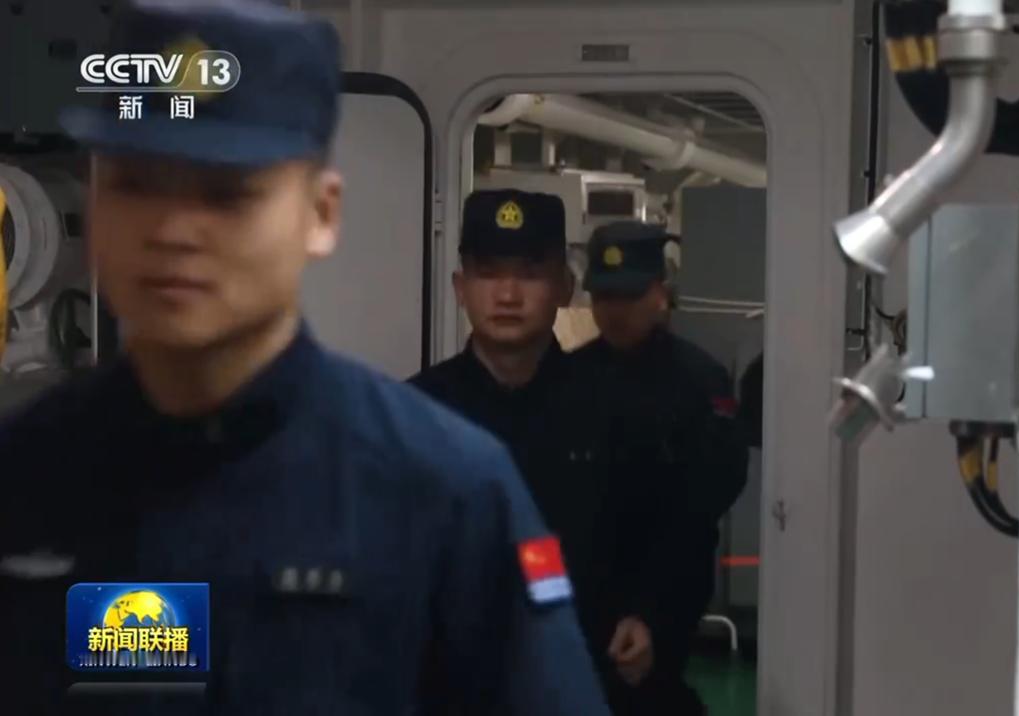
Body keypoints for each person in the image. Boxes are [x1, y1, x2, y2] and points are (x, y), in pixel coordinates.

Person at [0, 2, 608, 714]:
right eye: (136, 184)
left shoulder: (444, 491)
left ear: (321, 213)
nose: (173, 229)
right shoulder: (28, 476)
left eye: (227, 193)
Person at [407, 189, 656, 706]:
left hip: (583, 678)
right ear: (460, 288)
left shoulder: (617, 410)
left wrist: (649, 614)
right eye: (488, 274)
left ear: (564, 288)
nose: (507, 294)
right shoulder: (416, 414)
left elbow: (663, 530)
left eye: (529, 273)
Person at [577, 220, 750, 716]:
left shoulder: (698, 381)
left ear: (659, 294)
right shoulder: (571, 378)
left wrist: (652, 611)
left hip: (668, 582)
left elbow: (709, 497)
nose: (615, 311)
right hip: (586, 591)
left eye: (629, 296)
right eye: (605, 297)